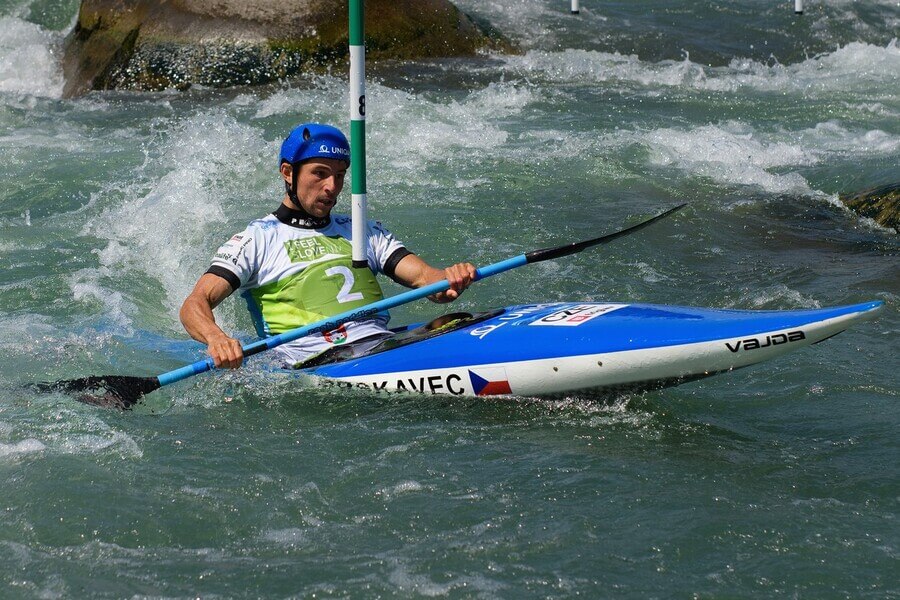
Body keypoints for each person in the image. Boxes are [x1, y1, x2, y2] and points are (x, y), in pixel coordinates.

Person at [180, 123, 476, 369]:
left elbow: (426, 279)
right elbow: (195, 304)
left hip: (384, 346)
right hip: (316, 362)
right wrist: (216, 337)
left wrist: (449, 280)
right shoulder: (256, 239)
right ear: (287, 172)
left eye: (339, 176)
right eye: (320, 173)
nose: (331, 187)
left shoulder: (361, 230)